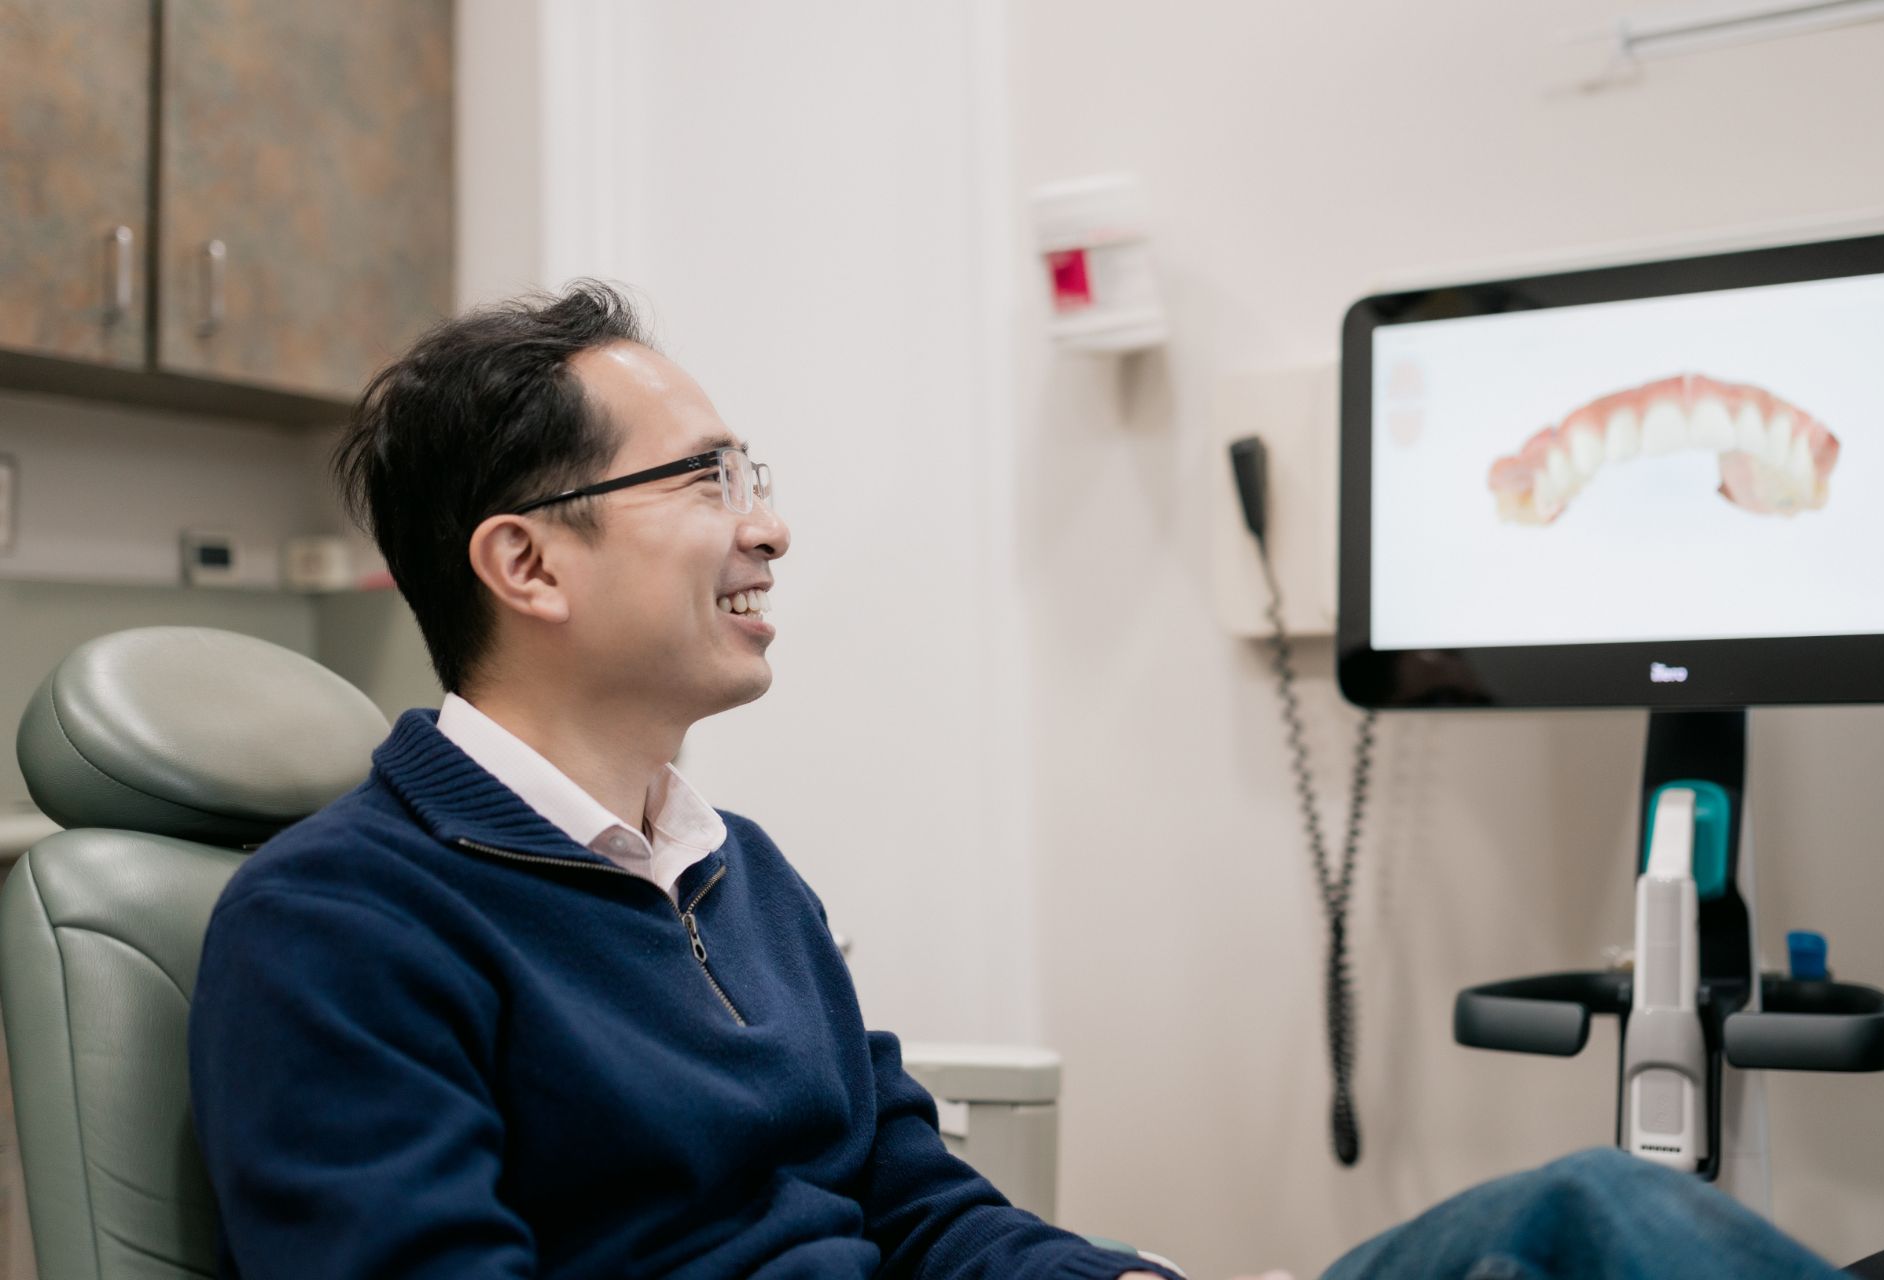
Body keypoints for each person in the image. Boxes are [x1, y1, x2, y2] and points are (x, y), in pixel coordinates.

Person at [187, 283, 1176, 1280]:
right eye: (710, 481)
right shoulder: (336, 924)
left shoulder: (744, 870)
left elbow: (915, 1204)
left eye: (752, 479)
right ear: (528, 563)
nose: (770, 528)